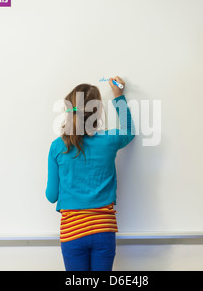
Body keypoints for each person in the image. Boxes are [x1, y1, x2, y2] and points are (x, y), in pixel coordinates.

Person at [46, 77, 135, 271]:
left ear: (68, 111)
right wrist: (119, 95)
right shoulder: (110, 140)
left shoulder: (58, 146)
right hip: (104, 231)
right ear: (98, 112)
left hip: (72, 233)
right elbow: (129, 131)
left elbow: (51, 196)